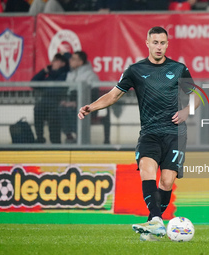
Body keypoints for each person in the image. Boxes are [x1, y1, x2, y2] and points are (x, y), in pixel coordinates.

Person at [78, 26, 200, 241]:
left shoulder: (179, 68)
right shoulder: (135, 70)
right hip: (150, 132)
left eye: (162, 43)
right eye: (155, 43)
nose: (159, 47)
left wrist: (187, 111)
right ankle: (155, 220)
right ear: (147, 43)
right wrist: (92, 107)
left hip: (175, 132)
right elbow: (113, 95)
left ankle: (156, 223)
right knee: (146, 168)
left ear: (167, 44)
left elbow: (198, 94)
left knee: (167, 182)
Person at [59, 51, 101, 143]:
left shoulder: (90, 76)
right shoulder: (71, 74)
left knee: (73, 110)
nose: (70, 60)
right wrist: (65, 101)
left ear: (80, 62)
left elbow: (93, 95)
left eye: (73, 59)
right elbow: (66, 91)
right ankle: (69, 136)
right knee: (60, 109)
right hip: (71, 104)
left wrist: (77, 103)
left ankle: (79, 138)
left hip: (87, 107)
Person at [32, 53, 70, 143]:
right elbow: (33, 83)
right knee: (37, 109)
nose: (52, 63)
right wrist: (44, 71)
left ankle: (55, 142)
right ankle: (40, 138)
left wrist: (45, 86)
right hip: (45, 103)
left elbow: (56, 89)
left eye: (55, 61)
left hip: (57, 103)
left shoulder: (65, 74)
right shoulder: (49, 74)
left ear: (62, 63)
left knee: (53, 116)